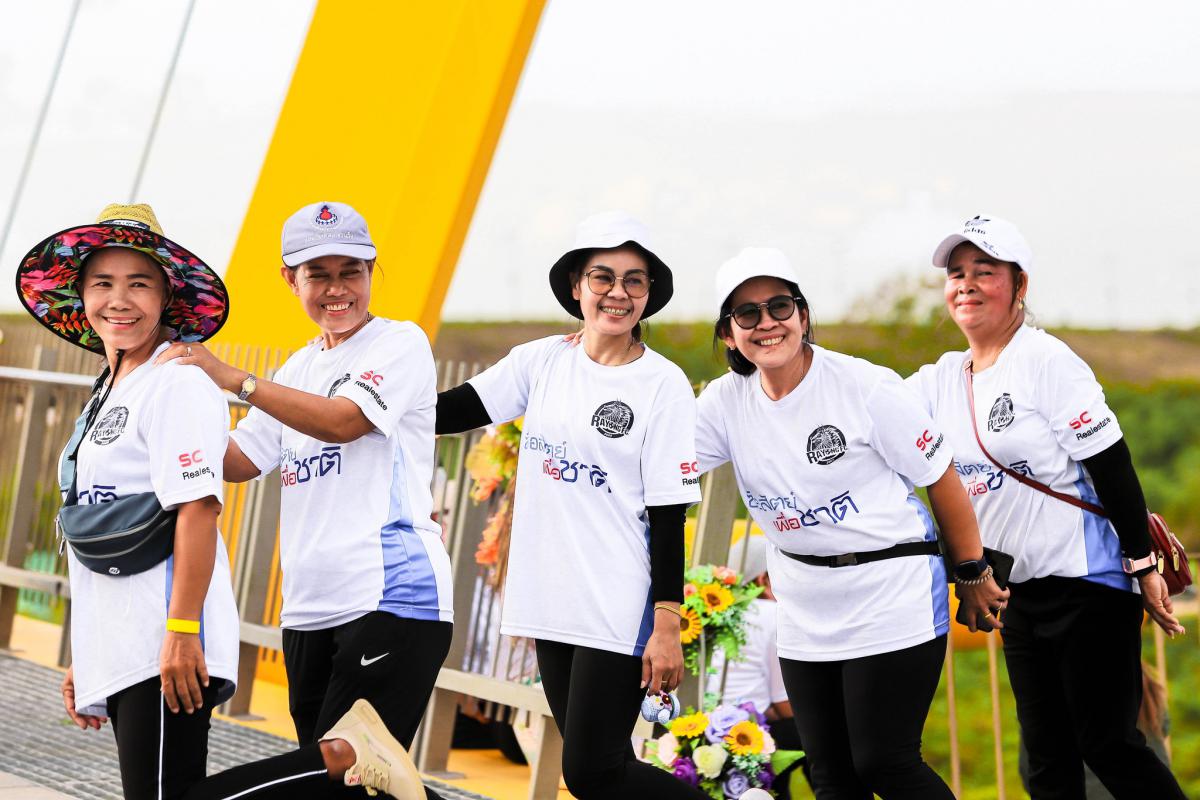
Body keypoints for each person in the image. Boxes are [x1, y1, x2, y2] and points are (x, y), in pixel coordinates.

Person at [17, 204, 419, 799]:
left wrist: (183, 629)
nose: (119, 300)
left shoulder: (179, 379)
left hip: (352, 597)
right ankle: (345, 760)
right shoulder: (113, 388)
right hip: (156, 635)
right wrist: (91, 652)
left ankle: (345, 755)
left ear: (167, 297)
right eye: (102, 283)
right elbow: (229, 462)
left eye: (139, 284)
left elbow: (201, 503)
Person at [156, 201, 451, 799]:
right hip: (309, 607)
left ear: (373, 271)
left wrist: (232, 378)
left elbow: (344, 421)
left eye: (352, 272)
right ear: (290, 280)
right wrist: (161, 399)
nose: (337, 289)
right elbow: (237, 461)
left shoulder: (399, 343)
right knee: (361, 788)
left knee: (342, 771)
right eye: (319, 275)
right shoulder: (298, 367)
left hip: (389, 595)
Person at [694, 247, 1007, 799]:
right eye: (746, 314)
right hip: (803, 604)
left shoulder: (864, 386)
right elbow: (658, 469)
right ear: (728, 334)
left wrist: (973, 571)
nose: (766, 323)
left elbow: (940, 477)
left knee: (884, 762)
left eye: (779, 307)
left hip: (888, 591)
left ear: (802, 315)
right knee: (831, 776)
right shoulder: (724, 402)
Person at [906, 215, 1187, 799]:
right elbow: (871, 411)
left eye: (984, 271)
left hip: (1088, 583)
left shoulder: (1045, 360)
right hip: (1016, 591)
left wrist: (1143, 565)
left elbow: (1113, 465)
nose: (966, 284)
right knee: (1046, 759)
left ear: (1020, 284)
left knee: (1107, 744)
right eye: (956, 273)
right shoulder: (940, 379)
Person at [435, 211, 712, 799]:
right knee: (600, 770)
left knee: (593, 771)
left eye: (634, 280)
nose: (618, 292)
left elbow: (669, 515)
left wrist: (667, 624)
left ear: (649, 294)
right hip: (551, 596)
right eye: (603, 277)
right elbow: (451, 411)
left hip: (616, 602)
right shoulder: (541, 361)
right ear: (576, 286)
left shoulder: (662, 384)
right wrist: (369, 398)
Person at [707, 537, 807, 799]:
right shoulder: (773, 615)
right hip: (750, 732)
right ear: (764, 579)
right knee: (822, 733)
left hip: (710, 726)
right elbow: (784, 705)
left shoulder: (722, 613)